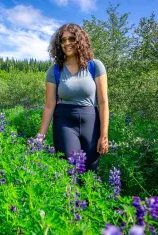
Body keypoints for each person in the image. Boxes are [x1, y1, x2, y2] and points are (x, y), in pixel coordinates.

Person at [37, 23, 109, 172]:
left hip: (91, 121)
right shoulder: (55, 70)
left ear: (80, 40)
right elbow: (49, 105)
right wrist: (40, 136)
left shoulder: (95, 66)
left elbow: (102, 102)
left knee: (90, 172)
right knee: (70, 169)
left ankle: (87, 197)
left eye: (71, 38)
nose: (67, 43)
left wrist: (104, 135)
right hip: (64, 122)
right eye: (63, 40)